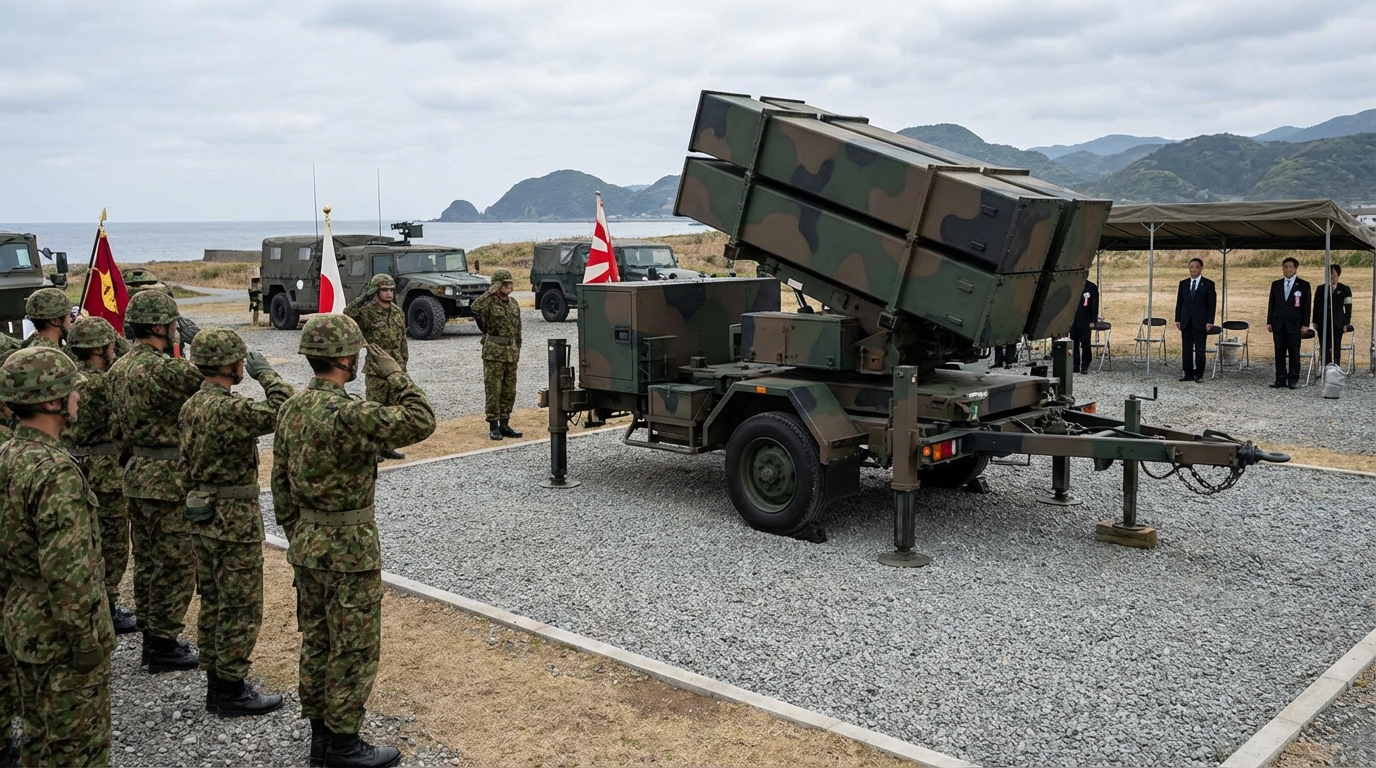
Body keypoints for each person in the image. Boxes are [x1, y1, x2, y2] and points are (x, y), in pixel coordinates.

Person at [271, 315, 434, 768]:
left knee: (318, 640)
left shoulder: (292, 408)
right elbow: (422, 419)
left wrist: (299, 534)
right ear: (345, 357)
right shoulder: (349, 413)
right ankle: (343, 744)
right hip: (350, 546)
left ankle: (320, 738)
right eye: (357, 353)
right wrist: (396, 375)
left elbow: (280, 483)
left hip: (306, 542)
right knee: (354, 646)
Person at [0, 347, 115, 766]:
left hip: (22, 619)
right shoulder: (55, 472)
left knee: (38, 737)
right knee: (77, 749)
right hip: (59, 635)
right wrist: (86, 643)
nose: (78, 398)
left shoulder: (8, 455)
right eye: (71, 391)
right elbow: (69, 573)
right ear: (50, 401)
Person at [181, 328, 292, 717]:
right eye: (242, 360)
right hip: (234, 520)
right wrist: (268, 376)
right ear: (229, 364)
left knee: (213, 599)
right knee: (241, 605)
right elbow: (284, 409)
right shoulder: (228, 409)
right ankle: (231, 688)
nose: (245, 364)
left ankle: (216, 681)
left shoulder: (192, 404)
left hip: (203, 513)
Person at [106, 290, 203, 672]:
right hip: (168, 479)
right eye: (174, 324)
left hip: (135, 474)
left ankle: (150, 632)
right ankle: (162, 643)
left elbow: (116, 430)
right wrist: (195, 342)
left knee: (146, 558)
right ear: (163, 326)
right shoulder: (167, 370)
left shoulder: (117, 369)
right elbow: (207, 380)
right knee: (175, 564)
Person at [65, 316, 138, 636]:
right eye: (108, 342)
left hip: (73, 465)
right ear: (97, 348)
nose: (113, 346)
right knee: (113, 545)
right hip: (105, 471)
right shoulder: (103, 384)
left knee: (82, 542)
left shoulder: (67, 378)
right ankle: (105, 605)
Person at [344, 273, 409, 460]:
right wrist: (364, 297)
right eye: (384, 290)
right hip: (376, 367)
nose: (389, 294)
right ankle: (373, 449)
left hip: (395, 366)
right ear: (375, 291)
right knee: (374, 410)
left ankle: (387, 446)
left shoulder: (397, 312)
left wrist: (403, 363)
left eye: (391, 290)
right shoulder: (366, 311)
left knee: (393, 409)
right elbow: (348, 314)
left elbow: (402, 340)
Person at [471, 269, 522, 440]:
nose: (509, 286)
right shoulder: (489, 302)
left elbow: (518, 329)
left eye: (510, 283)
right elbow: (475, 307)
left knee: (509, 390)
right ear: (497, 285)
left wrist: (518, 349)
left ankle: (505, 424)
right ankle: (493, 426)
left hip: (511, 353)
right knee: (494, 389)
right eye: (505, 283)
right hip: (494, 353)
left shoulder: (513, 303)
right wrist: (490, 291)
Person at [1266, 257, 1311, 389]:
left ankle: (1293, 379)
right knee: (1279, 352)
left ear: (1295, 268)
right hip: (1279, 323)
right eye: (1286, 267)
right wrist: (1269, 321)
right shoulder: (1276, 284)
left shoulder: (1303, 285)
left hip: (1294, 324)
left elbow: (1306, 306)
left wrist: (1305, 324)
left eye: (1291, 267)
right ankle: (1280, 379)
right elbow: (1272, 304)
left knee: (1294, 352)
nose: (1288, 269)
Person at [1173, 258, 1217, 382]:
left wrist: (1210, 321)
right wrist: (1178, 318)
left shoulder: (1208, 284)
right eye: (1191, 267)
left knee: (1199, 349)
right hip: (1186, 320)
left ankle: (1199, 374)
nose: (1194, 269)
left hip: (1200, 321)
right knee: (1186, 349)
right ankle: (1187, 373)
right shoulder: (1183, 283)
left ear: (1201, 268)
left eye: (1196, 267)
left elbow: (1211, 304)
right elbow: (1179, 302)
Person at [1312, 263, 1354, 366]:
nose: (1331, 276)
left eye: (1332, 273)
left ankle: (1335, 366)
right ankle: (1324, 367)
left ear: (1337, 274)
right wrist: (1315, 321)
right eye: (1329, 274)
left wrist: (1346, 323)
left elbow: (1348, 308)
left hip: (1337, 323)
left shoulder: (1345, 289)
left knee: (1336, 346)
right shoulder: (1320, 289)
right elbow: (1316, 305)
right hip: (1323, 322)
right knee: (1324, 346)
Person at [20, 287, 74, 353]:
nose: (71, 319)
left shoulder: (28, 346)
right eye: (69, 315)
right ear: (55, 321)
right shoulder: (52, 355)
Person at [1070, 279, 1099, 374]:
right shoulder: (1073, 285)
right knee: (1074, 344)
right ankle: (1075, 365)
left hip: (1086, 320)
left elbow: (1095, 304)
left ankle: (1085, 365)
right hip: (1073, 320)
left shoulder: (1091, 287)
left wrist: (1093, 320)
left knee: (1085, 343)